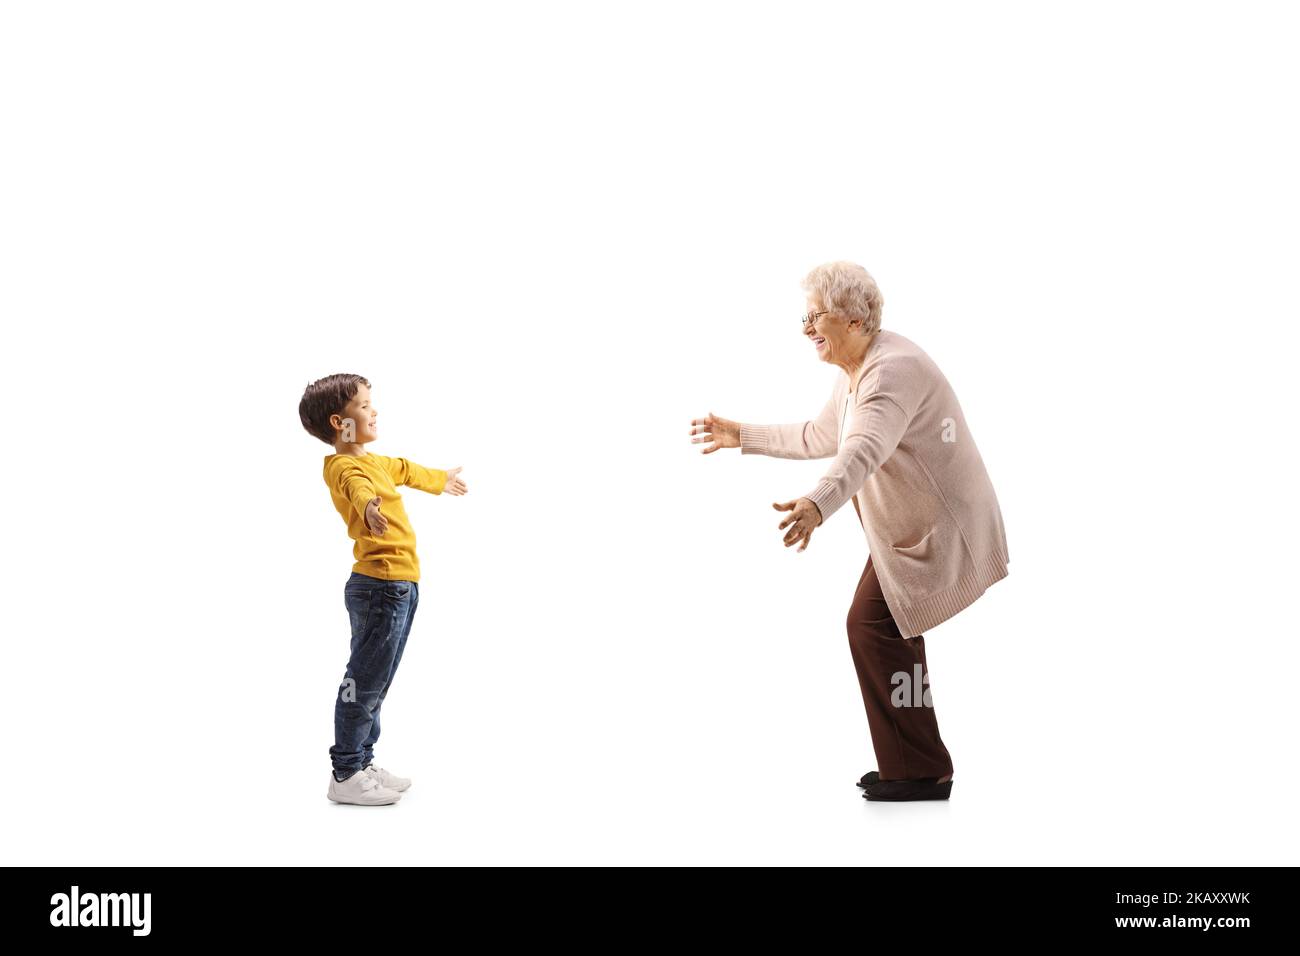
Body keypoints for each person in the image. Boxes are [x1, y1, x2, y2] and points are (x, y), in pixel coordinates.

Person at [690, 261, 1009, 802]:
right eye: (805, 315)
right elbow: (823, 434)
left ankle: (921, 769)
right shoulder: (860, 371)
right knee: (883, 629)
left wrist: (817, 504)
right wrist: (740, 435)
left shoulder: (889, 373)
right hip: (906, 533)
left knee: (873, 627)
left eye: (816, 315)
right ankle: (918, 765)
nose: (806, 328)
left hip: (939, 529)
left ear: (855, 318)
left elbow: (862, 451)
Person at [298, 373, 468, 806]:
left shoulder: (374, 461)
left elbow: (406, 469)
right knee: (362, 680)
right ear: (341, 423)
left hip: (400, 586)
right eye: (365, 405)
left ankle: (363, 759)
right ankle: (346, 771)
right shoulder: (344, 466)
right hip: (379, 587)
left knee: (379, 681)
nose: (374, 411)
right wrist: (369, 506)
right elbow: (359, 489)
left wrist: (439, 479)